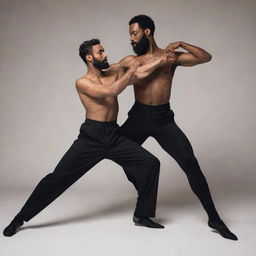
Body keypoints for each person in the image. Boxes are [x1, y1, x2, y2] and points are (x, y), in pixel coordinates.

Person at [3, 38, 174, 237]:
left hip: (113, 135)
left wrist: (159, 61)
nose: (106, 54)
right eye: (101, 52)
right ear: (89, 57)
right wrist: (129, 70)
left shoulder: (113, 73)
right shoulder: (82, 82)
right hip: (91, 138)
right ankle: (19, 219)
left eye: (104, 51)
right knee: (56, 179)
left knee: (150, 163)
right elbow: (112, 91)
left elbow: (139, 74)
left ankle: (142, 215)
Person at [118, 15, 238, 240]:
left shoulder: (170, 57)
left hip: (163, 119)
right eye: (129, 35)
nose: (131, 39)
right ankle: (142, 212)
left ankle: (214, 218)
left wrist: (182, 43)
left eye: (134, 33)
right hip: (138, 117)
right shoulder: (132, 60)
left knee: (190, 164)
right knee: (119, 153)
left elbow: (205, 57)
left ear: (147, 32)